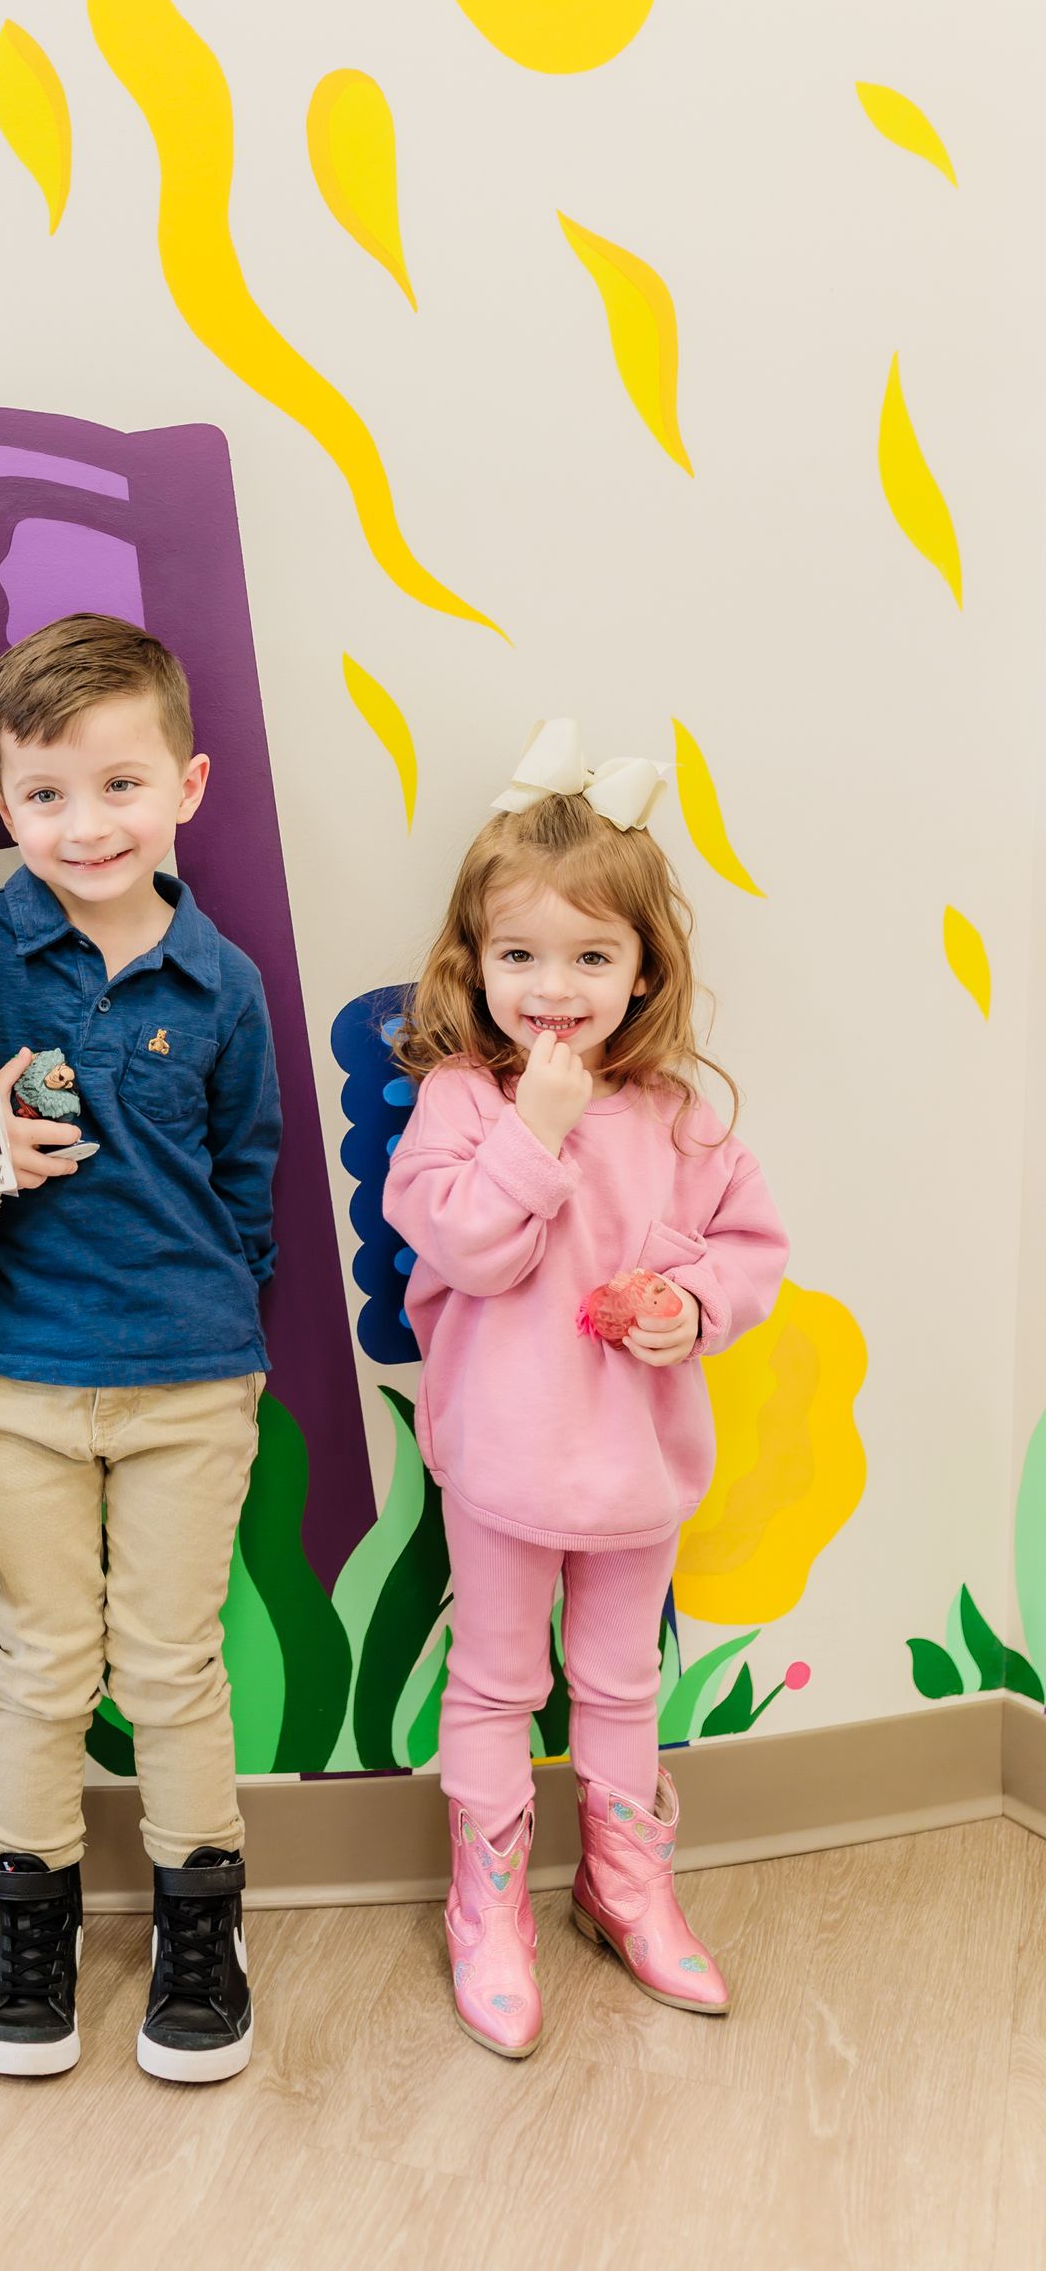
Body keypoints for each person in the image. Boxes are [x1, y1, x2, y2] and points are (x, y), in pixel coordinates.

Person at [0, 613, 279, 2081]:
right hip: (20, 1383)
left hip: (190, 1385)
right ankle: (28, 1919)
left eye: (118, 786)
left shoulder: (224, 986)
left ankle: (200, 1922)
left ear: (188, 785)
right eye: (43, 795)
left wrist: (222, 1337)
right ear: (1, 800)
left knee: (172, 1668)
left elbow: (250, 1179)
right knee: (40, 1669)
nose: (82, 823)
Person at [384, 721, 788, 2059]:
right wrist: (536, 1130)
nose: (554, 989)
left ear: (642, 968)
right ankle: (485, 1905)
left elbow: (748, 1251)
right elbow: (462, 1247)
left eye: (592, 958)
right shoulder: (460, 1099)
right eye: (521, 957)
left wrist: (691, 1308)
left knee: (619, 1683)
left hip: (636, 1469)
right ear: (475, 961)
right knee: (497, 1683)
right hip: (502, 1466)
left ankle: (626, 1882)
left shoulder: (679, 1117)